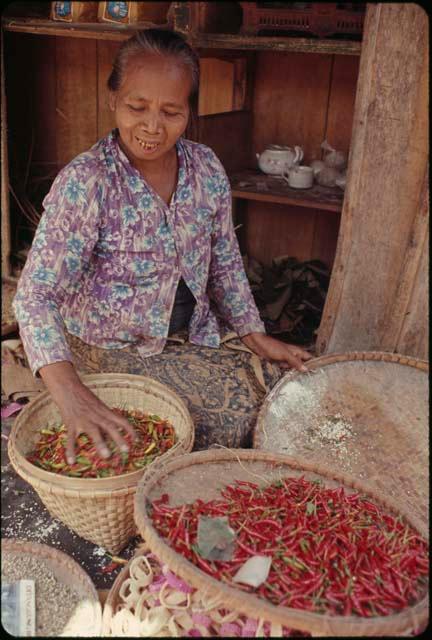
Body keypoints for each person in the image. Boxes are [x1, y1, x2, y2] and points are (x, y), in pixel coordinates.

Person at [13, 29, 311, 463]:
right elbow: (34, 296)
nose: (153, 126)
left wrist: (254, 334)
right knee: (228, 420)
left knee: (290, 383)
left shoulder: (205, 167)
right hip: (107, 345)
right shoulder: (88, 182)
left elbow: (225, 260)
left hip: (189, 332)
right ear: (113, 97)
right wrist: (70, 393)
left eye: (171, 111)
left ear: (189, 111)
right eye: (138, 106)